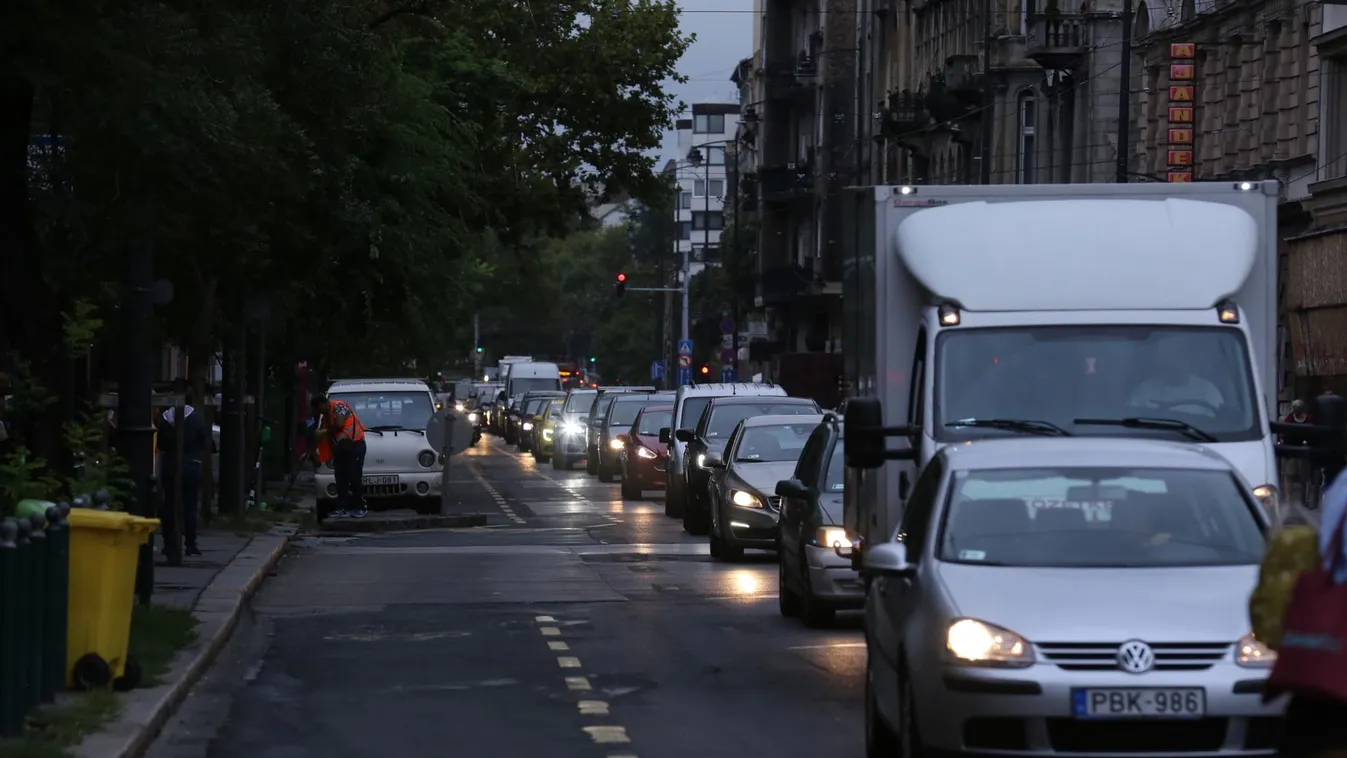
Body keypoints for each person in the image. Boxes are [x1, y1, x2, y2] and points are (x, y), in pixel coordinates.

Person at [156, 389, 210, 556]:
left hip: (170, 464)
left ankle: (169, 542)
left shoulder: (164, 420)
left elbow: (160, 444)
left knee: (170, 504)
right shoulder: (196, 419)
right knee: (190, 504)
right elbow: (204, 442)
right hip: (191, 465)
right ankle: (190, 543)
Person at [1127, 340, 1224, 415]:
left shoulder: (1207, 391)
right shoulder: (1144, 391)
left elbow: (1219, 422)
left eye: (1179, 354)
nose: (1173, 361)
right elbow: (1132, 419)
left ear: (1189, 359)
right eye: (1168, 355)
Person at [311, 393, 368, 518]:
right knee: (341, 478)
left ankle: (360, 507)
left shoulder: (338, 406)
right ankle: (342, 508)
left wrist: (323, 432)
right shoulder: (326, 417)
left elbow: (340, 424)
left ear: (322, 404)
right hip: (341, 449)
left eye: (318, 409)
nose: (318, 412)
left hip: (355, 445)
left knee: (354, 476)